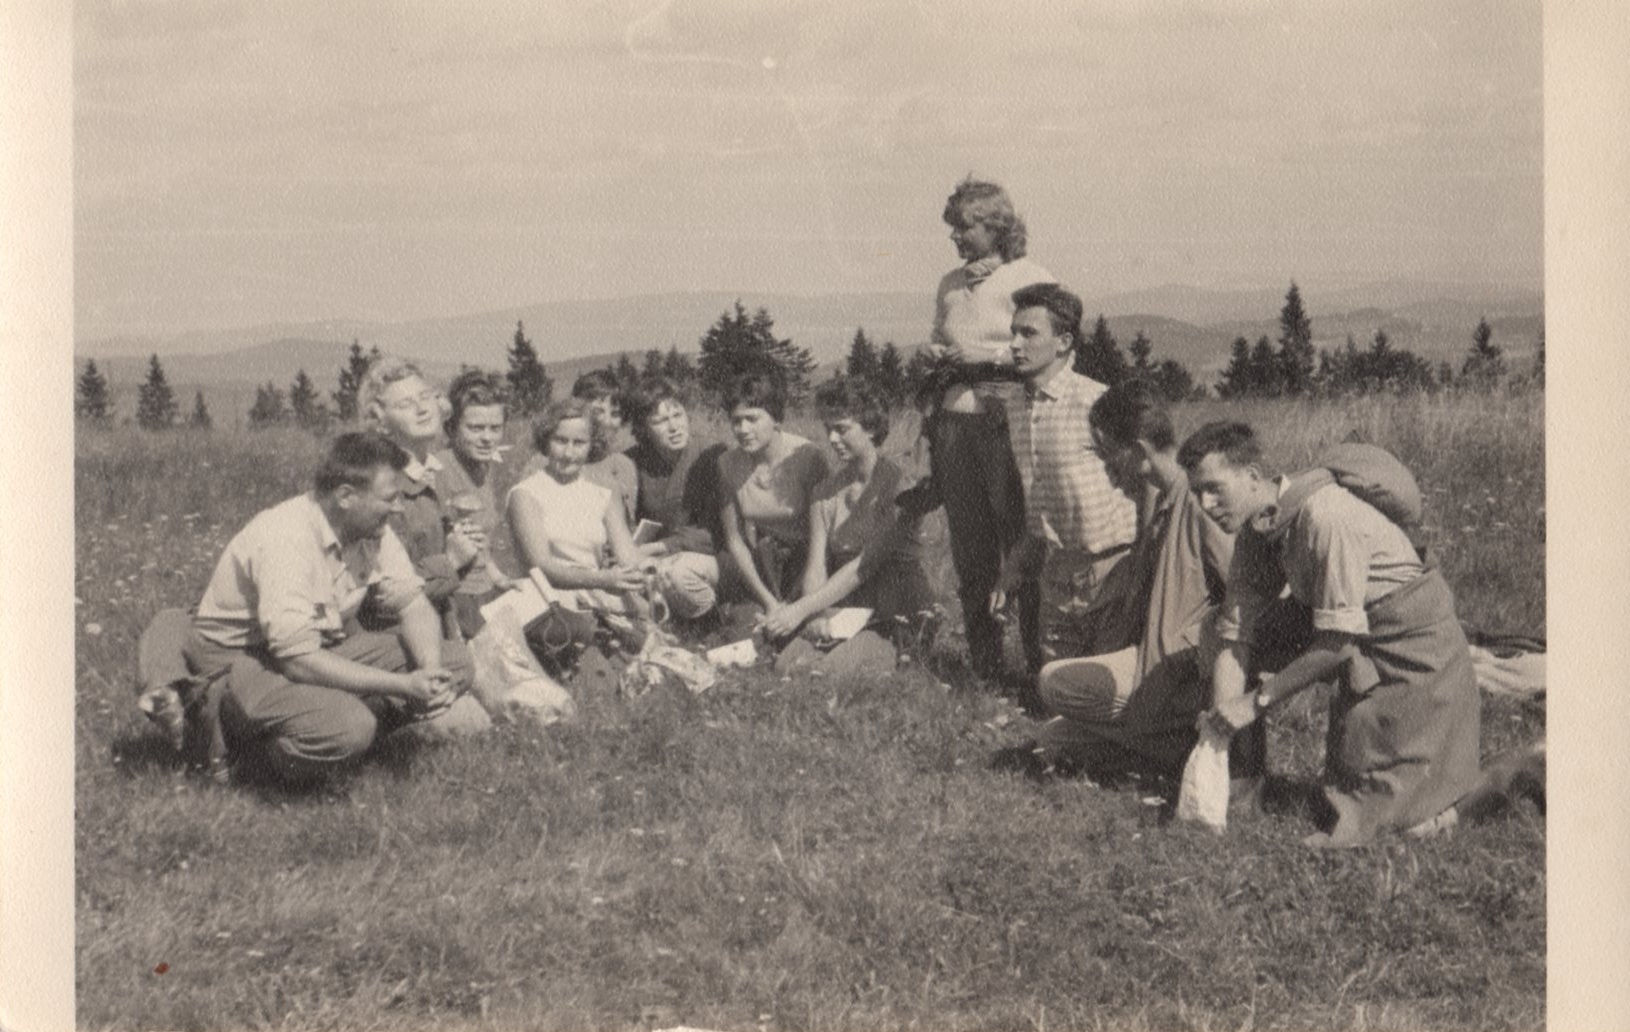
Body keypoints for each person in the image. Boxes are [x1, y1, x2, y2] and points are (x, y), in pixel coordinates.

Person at [1180, 421, 1482, 847]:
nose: (1206, 505)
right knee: (1214, 627)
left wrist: (1254, 703)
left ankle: (1515, 774)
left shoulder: (1325, 517)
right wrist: (1220, 726)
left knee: (1392, 824)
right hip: (1352, 635)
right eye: (1197, 493)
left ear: (1251, 476)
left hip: (1412, 649)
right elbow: (1235, 633)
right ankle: (1240, 787)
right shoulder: (1256, 529)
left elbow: (1337, 647)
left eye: (1214, 489)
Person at [181, 432, 484, 786]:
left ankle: (335, 734)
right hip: (243, 660)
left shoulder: (370, 528)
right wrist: (403, 685)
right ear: (345, 496)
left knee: (454, 663)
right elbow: (296, 659)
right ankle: (243, 752)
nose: (398, 508)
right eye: (389, 498)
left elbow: (412, 603)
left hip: (315, 647)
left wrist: (429, 671)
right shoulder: (285, 538)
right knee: (350, 728)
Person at [994, 380, 1232, 777]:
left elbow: (1245, 594)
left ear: (1138, 451)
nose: (1110, 476)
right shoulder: (1162, 503)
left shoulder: (1198, 503)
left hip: (1184, 675)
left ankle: (1175, 739)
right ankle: (1168, 747)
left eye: (1110, 460)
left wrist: (1202, 654)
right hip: (1155, 667)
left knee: (1054, 681)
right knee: (1053, 739)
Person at [899, 177, 1054, 680]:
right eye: (953, 228)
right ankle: (987, 667)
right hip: (952, 427)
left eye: (964, 227)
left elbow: (1049, 347)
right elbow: (938, 334)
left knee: (1020, 544)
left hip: (1006, 419)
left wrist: (986, 355)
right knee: (970, 548)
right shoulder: (950, 284)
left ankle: (1038, 668)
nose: (955, 237)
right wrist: (932, 353)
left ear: (996, 225)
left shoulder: (1029, 277)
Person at [989, 283, 1139, 671]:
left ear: (1064, 342)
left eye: (1029, 333)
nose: (1015, 345)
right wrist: (1014, 566)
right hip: (1055, 576)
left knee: (1107, 688)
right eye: (1013, 333)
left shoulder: (1097, 402)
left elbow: (1145, 484)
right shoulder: (1015, 408)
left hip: (1113, 574)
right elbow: (1039, 499)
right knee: (1057, 688)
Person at [761, 378, 937, 673]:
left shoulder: (900, 485)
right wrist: (815, 615)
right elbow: (816, 565)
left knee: (826, 671)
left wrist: (799, 610)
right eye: (828, 429)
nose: (832, 438)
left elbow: (866, 564)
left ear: (870, 428)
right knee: (787, 666)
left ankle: (898, 652)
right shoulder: (824, 492)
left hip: (898, 606)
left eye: (841, 429)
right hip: (848, 606)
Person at [506, 397, 650, 668]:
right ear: (546, 440)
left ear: (591, 444)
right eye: (560, 441)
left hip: (596, 588)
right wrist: (603, 580)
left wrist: (648, 573)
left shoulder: (603, 492)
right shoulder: (526, 494)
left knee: (644, 635)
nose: (569, 453)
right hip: (550, 594)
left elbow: (627, 554)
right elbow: (542, 567)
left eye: (579, 443)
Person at [362, 356, 486, 641]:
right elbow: (384, 595)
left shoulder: (434, 473)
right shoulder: (384, 489)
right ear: (381, 421)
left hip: (441, 623)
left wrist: (463, 552)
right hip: (400, 638)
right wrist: (451, 561)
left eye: (425, 396)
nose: (422, 409)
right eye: (405, 404)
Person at [715, 372, 831, 613]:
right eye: (736, 421)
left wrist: (794, 604)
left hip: (808, 562)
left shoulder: (808, 457)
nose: (743, 429)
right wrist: (769, 602)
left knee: (804, 627)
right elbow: (735, 540)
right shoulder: (727, 464)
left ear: (776, 418)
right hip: (763, 565)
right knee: (747, 629)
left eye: (752, 419)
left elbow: (823, 537)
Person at [621, 376, 729, 621]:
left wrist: (659, 547)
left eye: (677, 415)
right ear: (643, 429)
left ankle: (709, 619)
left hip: (710, 555)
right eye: (660, 421)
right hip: (654, 557)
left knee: (676, 574)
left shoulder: (712, 456)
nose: (673, 427)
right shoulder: (632, 462)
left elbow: (720, 532)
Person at [431, 369, 517, 639]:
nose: (487, 438)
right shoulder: (439, 470)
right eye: (476, 428)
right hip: (456, 597)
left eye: (495, 428)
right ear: (451, 427)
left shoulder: (484, 467)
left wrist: (498, 577)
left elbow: (482, 540)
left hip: (484, 589)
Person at [571, 369, 639, 527]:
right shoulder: (554, 464)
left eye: (615, 414)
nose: (607, 422)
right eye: (598, 412)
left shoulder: (624, 466)